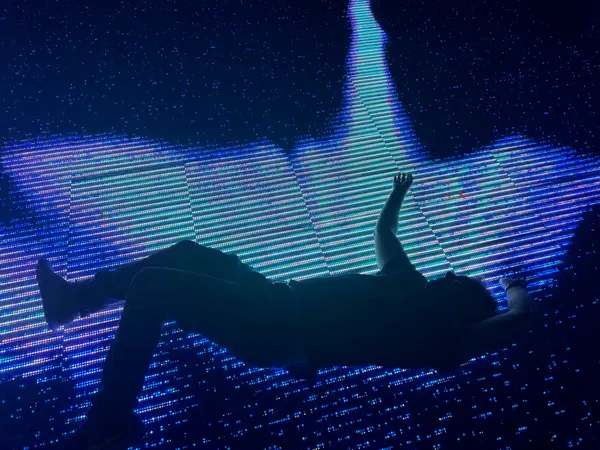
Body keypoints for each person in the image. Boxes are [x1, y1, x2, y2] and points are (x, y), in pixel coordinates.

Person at [35, 172, 534, 449]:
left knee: (155, 286)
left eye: (459, 279)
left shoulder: (442, 340)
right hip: (275, 300)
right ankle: (74, 301)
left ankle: (111, 420)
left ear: (462, 303)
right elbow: (385, 233)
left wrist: (513, 285)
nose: (450, 273)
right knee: (188, 253)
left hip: (276, 327)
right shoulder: (410, 283)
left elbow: (519, 321)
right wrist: (396, 196)